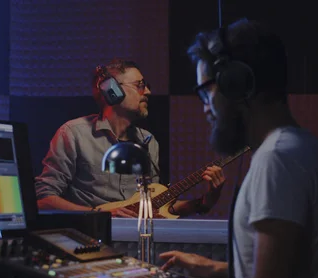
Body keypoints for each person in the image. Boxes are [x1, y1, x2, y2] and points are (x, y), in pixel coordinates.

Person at [121, 19, 318, 278]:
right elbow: (293, 269)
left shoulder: (277, 160)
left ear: (237, 84)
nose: (205, 107)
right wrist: (216, 268)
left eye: (206, 91)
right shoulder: (305, 148)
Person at [35, 58, 226, 218]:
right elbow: (44, 200)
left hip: (135, 245)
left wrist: (204, 202)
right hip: (91, 241)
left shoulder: (148, 142)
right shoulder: (73, 134)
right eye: (140, 86)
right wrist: (98, 214)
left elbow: (155, 208)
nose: (148, 92)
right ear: (112, 91)